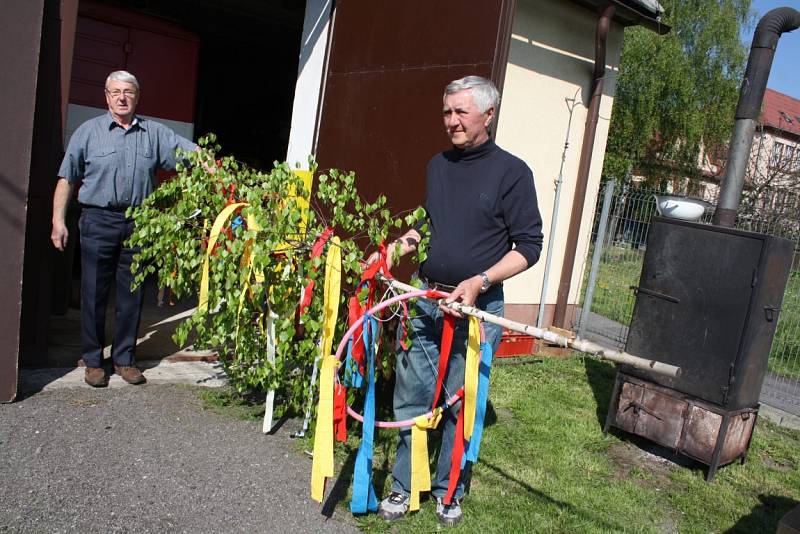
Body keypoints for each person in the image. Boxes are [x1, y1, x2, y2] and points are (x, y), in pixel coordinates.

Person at [368, 76, 543, 526]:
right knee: (411, 395)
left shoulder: (513, 173)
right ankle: (405, 485)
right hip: (427, 301)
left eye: (461, 112)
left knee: (460, 401)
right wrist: (393, 249)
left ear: (488, 114)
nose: (452, 121)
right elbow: (426, 225)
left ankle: (450, 490)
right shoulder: (438, 166)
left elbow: (529, 247)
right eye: (447, 112)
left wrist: (480, 280)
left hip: (477, 308)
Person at [51, 70, 198, 387]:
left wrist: (216, 165)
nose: (122, 97)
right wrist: (58, 221)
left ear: (137, 96)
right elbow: (67, 178)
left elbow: (193, 156)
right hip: (97, 219)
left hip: (139, 223)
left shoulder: (155, 134)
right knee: (93, 293)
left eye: (128, 91)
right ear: (106, 96)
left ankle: (124, 359)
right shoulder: (88, 133)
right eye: (115, 91)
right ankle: (92, 361)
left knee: (132, 294)